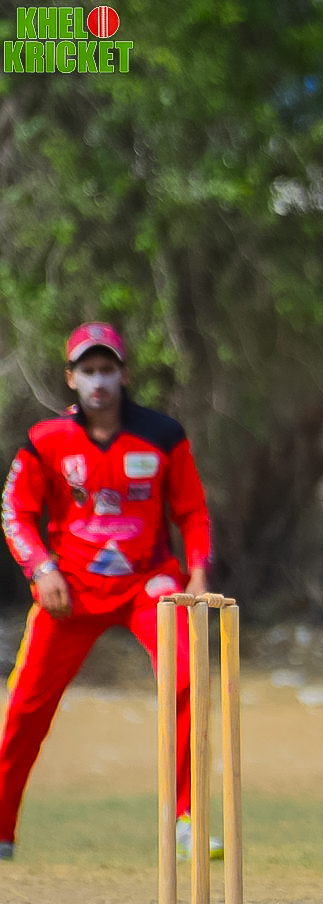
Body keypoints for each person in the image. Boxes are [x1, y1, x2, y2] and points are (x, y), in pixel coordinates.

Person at [0, 323, 215, 863]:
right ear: (71, 378)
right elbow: (16, 512)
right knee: (26, 706)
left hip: (148, 583)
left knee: (188, 677)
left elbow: (192, 511)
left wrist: (197, 573)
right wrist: (41, 569)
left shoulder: (162, 435)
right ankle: (1, 827)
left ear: (124, 374)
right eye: (88, 371)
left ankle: (187, 818)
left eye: (108, 369)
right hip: (69, 592)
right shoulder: (46, 440)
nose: (99, 381)